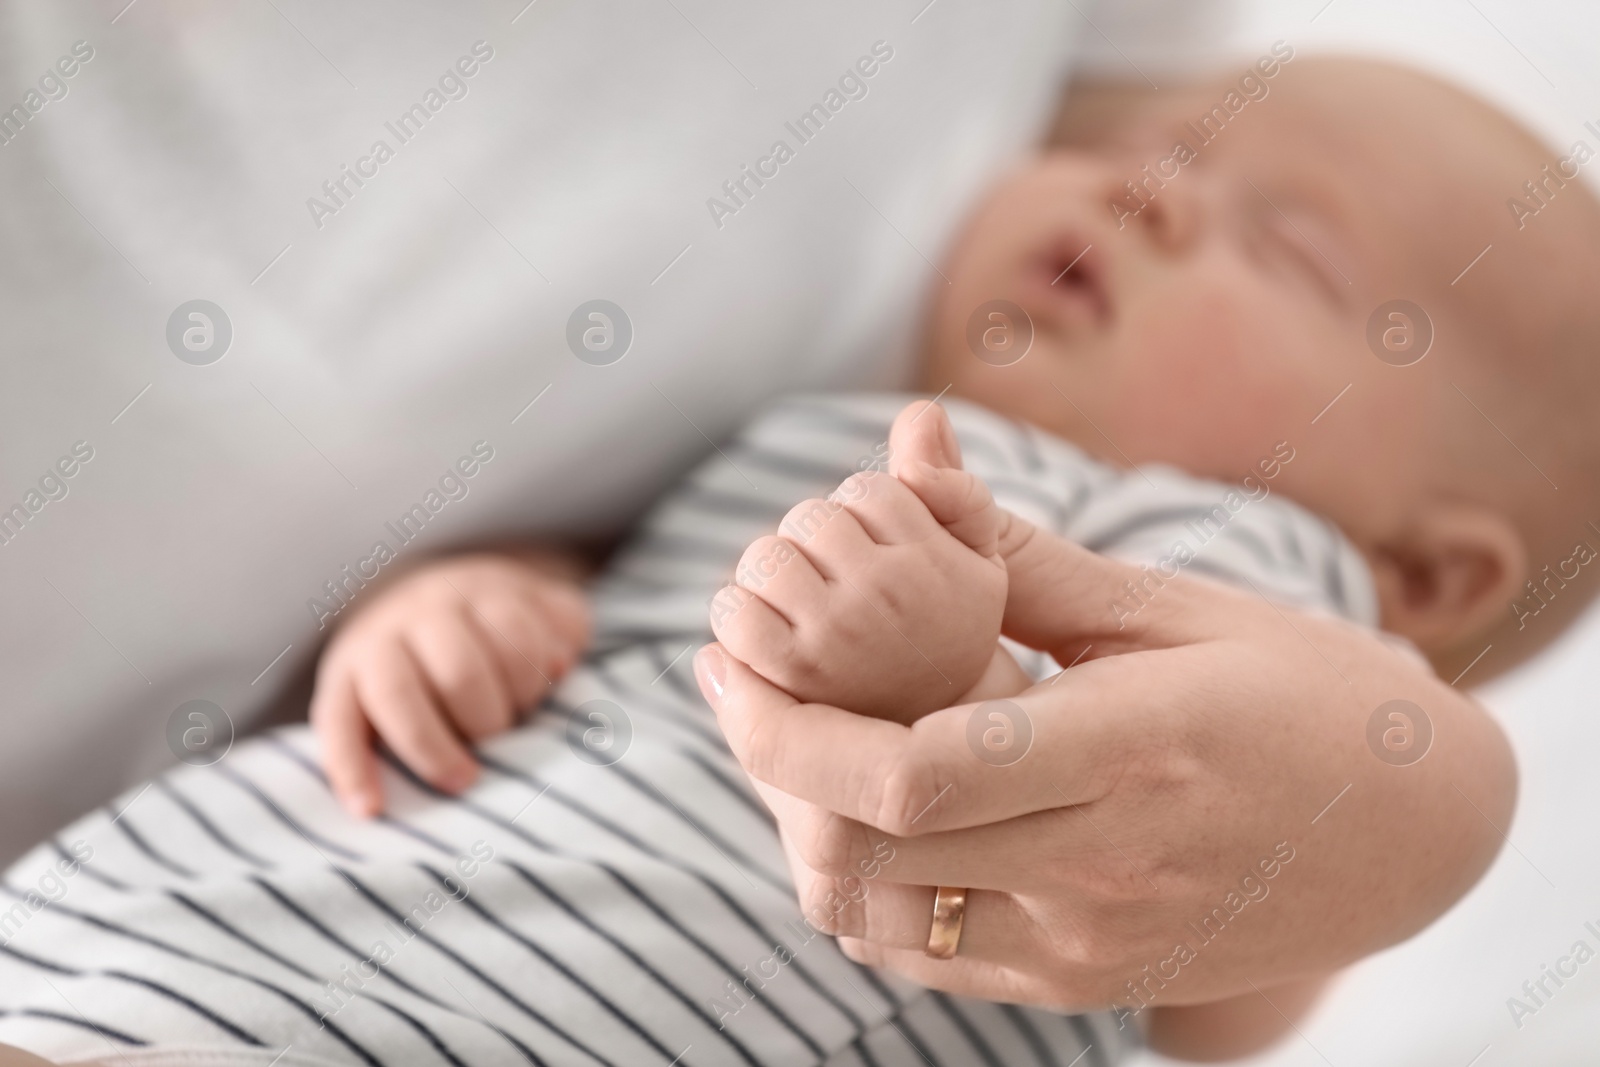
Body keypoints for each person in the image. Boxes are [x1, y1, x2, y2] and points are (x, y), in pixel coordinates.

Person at [4, 52, 1595, 1064]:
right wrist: (461, 612)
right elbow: (616, 615)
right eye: (1173, 147)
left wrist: (945, 695)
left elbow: (1238, 981)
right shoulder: (824, 427)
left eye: (1284, 242)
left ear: (1435, 577)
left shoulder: (1261, 594)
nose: (1155, 193)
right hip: (220, 928)